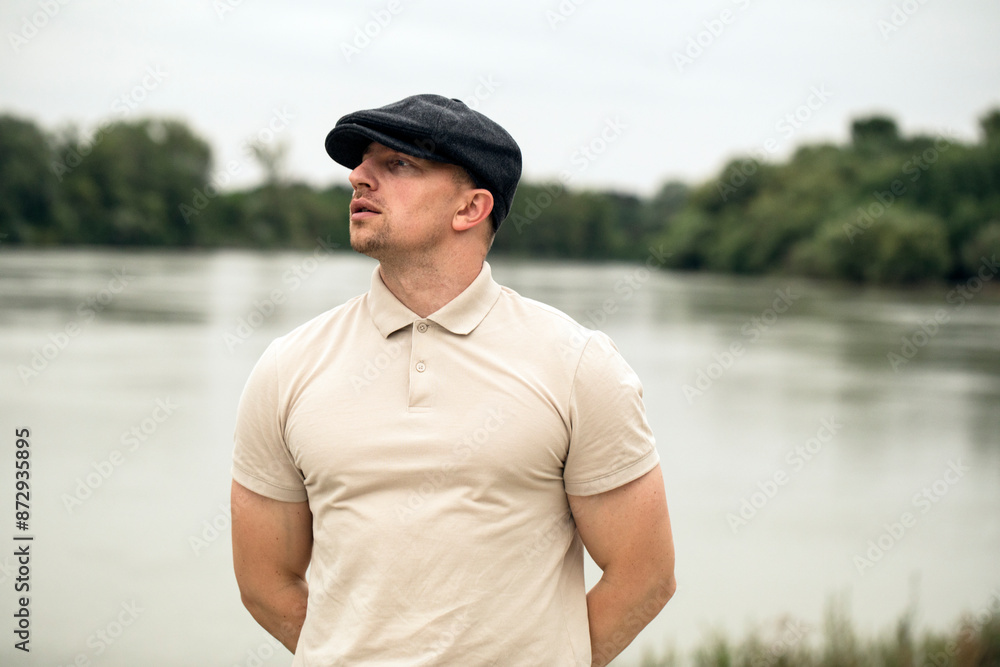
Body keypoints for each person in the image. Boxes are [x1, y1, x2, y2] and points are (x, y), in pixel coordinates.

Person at [231, 94, 675, 666]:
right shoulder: (287, 367)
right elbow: (265, 583)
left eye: (397, 164)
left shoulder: (577, 365)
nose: (358, 177)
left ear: (470, 207)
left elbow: (645, 576)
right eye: (362, 162)